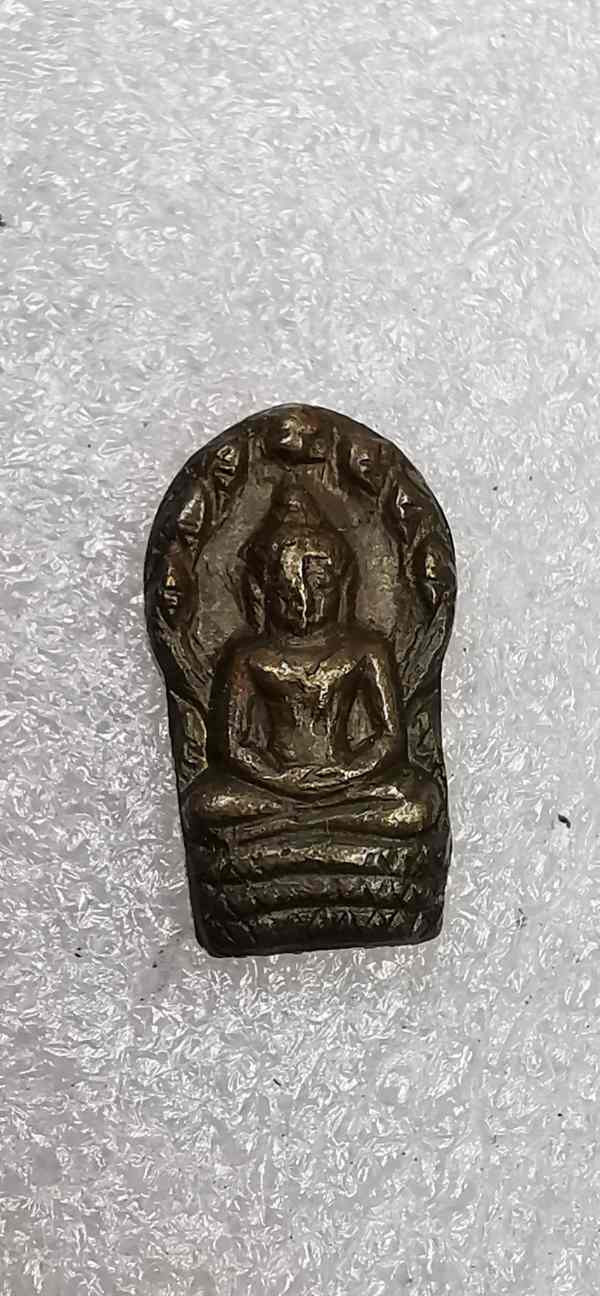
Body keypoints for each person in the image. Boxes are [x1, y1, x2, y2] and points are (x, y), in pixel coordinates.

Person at [182, 483, 439, 841]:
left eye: (320, 586)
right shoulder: (250, 657)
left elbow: (390, 738)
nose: (303, 603)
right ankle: (320, 822)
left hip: (348, 783)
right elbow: (234, 744)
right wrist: (281, 778)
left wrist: (345, 773)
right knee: (206, 801)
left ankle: (292, 825)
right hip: (272, 786)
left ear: (343, 586)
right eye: (286, 592)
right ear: (261, 593)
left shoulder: (366, 651)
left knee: (419, 799)